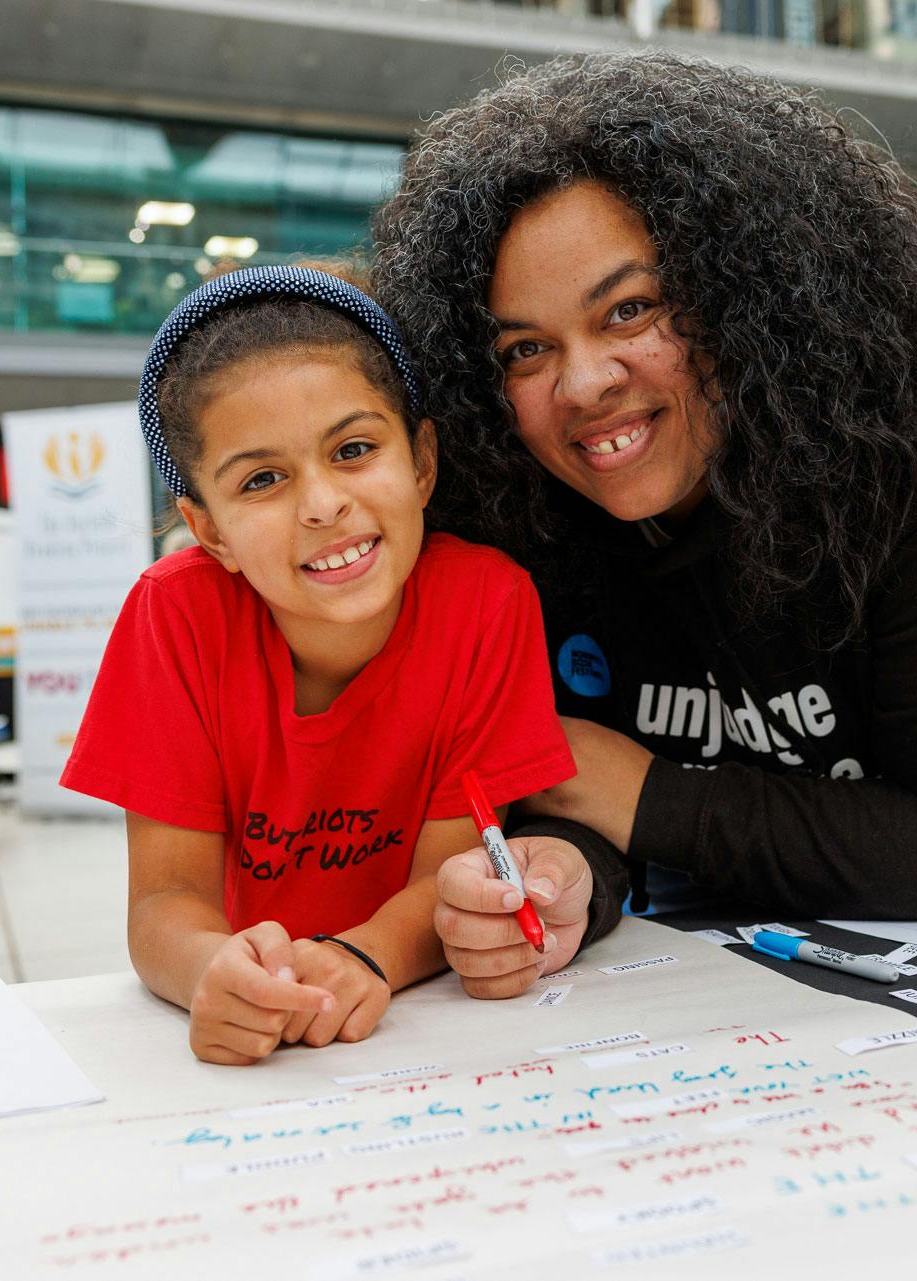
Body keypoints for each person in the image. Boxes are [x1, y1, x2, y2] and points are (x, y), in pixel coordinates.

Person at [370, 52, 917, 998]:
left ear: (753, 297)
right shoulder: (511, 500)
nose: (584, 384)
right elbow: (565, 798)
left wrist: (649, 796)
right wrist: (565, 879)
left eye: (630, 310)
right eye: (525, 349)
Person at [60, 265, 576, 1064]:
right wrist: (209, 969)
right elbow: (165, 901)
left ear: (421, 461)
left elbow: (447, 874)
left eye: (354, 448)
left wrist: (367, 953)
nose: (322, 504)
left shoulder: (488, 603)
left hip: (432, 1035)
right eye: (262, 479)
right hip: (264, 1057)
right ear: (210, 530)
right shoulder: (173, 616)